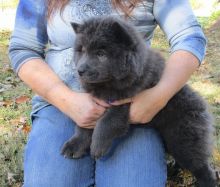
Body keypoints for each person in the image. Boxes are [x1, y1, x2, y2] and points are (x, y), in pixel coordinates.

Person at [9, 0, 206, 186]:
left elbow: (189, 38)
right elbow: (23, 48)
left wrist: (158, 97)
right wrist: (65, 99)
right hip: (59, 103)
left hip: (136, 102)